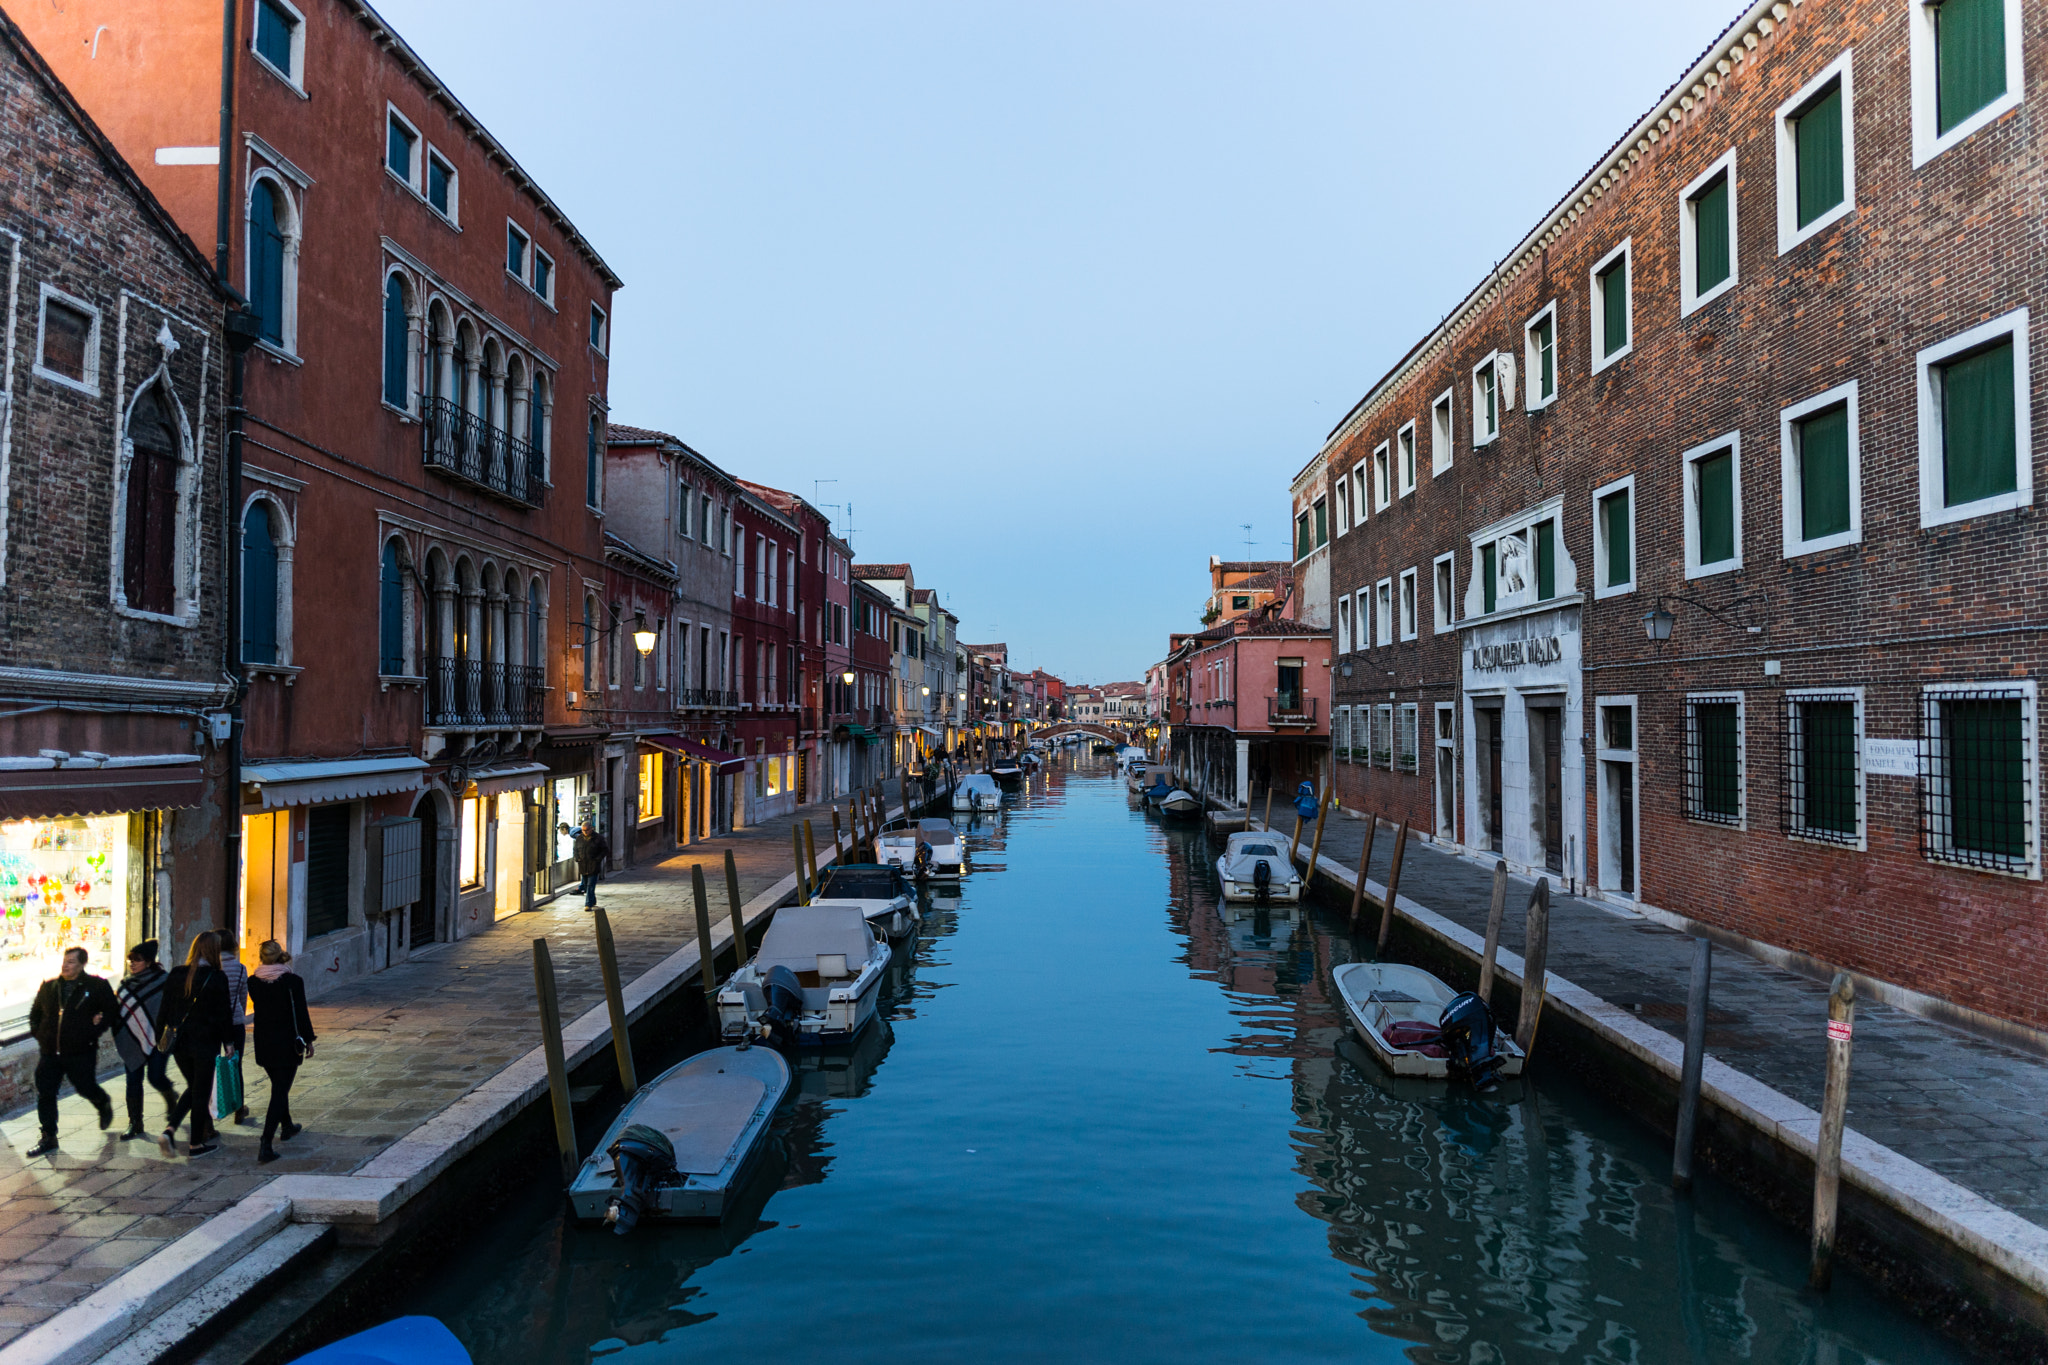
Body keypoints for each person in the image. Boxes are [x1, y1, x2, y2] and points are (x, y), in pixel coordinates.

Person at [25, 947, 119, 1157]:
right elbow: (35, 1014)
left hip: (80, 1051)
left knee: (85, 1087)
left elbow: (112, 1010)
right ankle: (48, 1136)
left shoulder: (95, 986)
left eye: (71, 962)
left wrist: (94, 1030)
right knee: (46, 1092)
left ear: (82, 964)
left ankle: (102, 1102)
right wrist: (40, 1035)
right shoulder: (50, 987)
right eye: (65, 961)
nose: (65, 965)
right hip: (50, 1053)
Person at [157, 931, 232, 1157]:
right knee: (200, 1093)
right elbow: (224, 1014)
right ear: (213, 952)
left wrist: (159, 1037)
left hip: (180, 1044)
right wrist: (229, 1042)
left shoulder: (177, 973)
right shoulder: (217, 977)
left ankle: (169, 1131)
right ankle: (195, 1144)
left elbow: (164, 1009)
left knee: (194, 1088)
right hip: (205, 1044)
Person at [246, 940, 315, 1164]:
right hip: (287, 1043)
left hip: (264, 1043)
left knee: (279, 1086)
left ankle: (287, 1126)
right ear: (280, 956)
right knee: (279, 1090)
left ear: (261, 957)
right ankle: (266, 1142)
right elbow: (301, 1013)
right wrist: (309, 1040)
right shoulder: (293, 981)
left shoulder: (253, 982)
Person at [114, 941, 178, 1141]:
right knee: (133, 1080)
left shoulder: (164, 981)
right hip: (132, 1040)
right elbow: (120, 1011)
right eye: (130, 959)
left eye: (137, 960)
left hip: (160, 1038)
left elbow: (172, 1008)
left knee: (155, 1076)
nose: (132, 963)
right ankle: (135, 1122)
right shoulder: (125, 983)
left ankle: (170, 1097)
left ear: (149, 962)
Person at [217, 927, 252, 1126]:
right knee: (235, 1065)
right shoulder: (240, 968)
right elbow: (242, 997)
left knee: (213, 1065)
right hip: (235, 1020)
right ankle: (239, 1108)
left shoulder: (213, 967)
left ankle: (214, 1108)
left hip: (214, 1024)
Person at [573, 820, 606, 910]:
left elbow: (604, 850)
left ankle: (588, 904)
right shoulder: (579, 838)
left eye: (587, 830)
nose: (585, 832)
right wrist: (577, 858)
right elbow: (575, 849)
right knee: (586, 884)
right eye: (583, 830)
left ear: (591, 829)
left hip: (593, 865)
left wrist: (597, 859)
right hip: (583, 865)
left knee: (590, 885)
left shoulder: (598, 838)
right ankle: (592, 900)